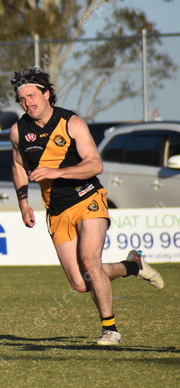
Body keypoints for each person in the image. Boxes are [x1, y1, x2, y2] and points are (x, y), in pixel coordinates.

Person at [9, 68, 164, 346]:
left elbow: (95, 164)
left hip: (87, 198)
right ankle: (133, 266)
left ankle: (110, 330)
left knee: (90, 262)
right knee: (81, 283)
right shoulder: (18, 131)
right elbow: (18, 166)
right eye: (22, 99)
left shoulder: (72, 122)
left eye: (32, 95)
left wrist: (57, 172)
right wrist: (23, 203)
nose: (27, 103)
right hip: (57, 211)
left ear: (46, 94)